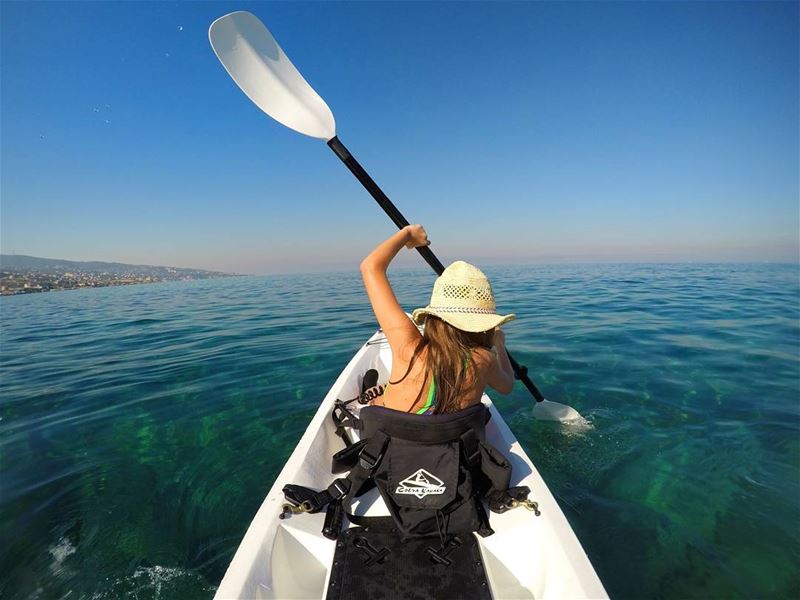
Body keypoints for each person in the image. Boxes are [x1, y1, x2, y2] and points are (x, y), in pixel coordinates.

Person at [360, 224, 516, 414]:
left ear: (435, 316)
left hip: (395, 438)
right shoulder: (484, 359)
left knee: (381, 400)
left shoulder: (408, 345)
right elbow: (507, 386)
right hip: (451, 441)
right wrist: (499, 345)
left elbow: (371, 267)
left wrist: (408, 233)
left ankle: (378, 396)